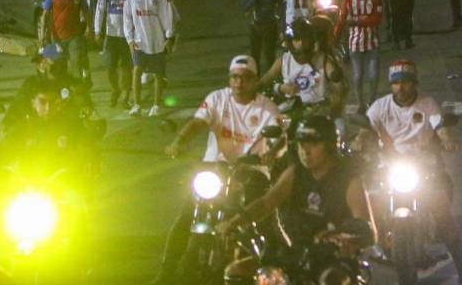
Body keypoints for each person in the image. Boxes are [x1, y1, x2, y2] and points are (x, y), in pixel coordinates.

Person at [156, 56, 281, 284]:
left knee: (260, 220)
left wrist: (271, 154)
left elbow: (279, 138)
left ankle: (270, 271)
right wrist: (180, 141)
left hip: (251, 172)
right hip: (215, 168)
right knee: (186, 216)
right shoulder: (217, 99)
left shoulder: (268, 109)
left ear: (255, 80)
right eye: (234, 77)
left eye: (245, 78)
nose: (239, 83)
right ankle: (166, 272)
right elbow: (199, 121)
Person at [219, 115, 377, 283]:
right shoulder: (296, 173)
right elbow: (267, 202)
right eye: (301, 143)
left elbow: (367, 230)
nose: (305, 150)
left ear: (331, 145)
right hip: (295, 253)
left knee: (331, 280)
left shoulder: (349, 180)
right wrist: (236, 221)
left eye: (313, 144)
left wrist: (339, 236)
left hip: (333, 258)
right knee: (237, 273)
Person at [362, 60, 462, 285]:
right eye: (395, 83)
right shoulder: (379, 107)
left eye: (405, 82)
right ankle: (379, 239)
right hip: (390, 167)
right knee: (368, 199)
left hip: (424, 169)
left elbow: (440, 127)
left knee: (443, 218)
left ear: (414, 83)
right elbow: (365, 130)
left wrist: (448, 140)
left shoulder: (427, 104)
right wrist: (358, 143)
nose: (400, 88)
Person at [260, 18, 345, 118]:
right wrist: (280, 88)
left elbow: (338, 84)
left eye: (305, 39)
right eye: (297, 39)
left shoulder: (324, 59)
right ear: (290, 42)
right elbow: (264, 82)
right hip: (292, 110)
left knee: (340, 128)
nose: (301, 43)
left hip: (319, 112)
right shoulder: (284, 60)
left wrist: (336, 95)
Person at [123, 0, 176, 117]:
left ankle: (156, 105)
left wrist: (169, 37)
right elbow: (127, 18)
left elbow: (167, 16)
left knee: (158, 75)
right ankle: (137, 105)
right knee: (137, 71)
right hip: (139, 42)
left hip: (157, 41)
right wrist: (130, 39)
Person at [334, 0, 382, 112]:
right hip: (354, 43)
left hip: (372, 42)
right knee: (358, 75)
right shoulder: (348, 1)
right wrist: (334, 37)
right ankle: (361, 103)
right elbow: (342, 21)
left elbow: (377, 19)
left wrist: (356, 21)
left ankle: (372, 101)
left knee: (373, 74)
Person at [93, 0, 134, 108]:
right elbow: (99, 10)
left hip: (128, 37)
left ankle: (125, 97)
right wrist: (97, 31)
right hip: (111, 35)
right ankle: (115, 90)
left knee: (127, 68)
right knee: (110, 67)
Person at [39, 0, 91, 80]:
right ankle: (61, 87)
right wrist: (43, 35)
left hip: (75, 36)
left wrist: (89, 29)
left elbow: (86, 13)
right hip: (56, 37)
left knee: (75, 61)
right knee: (55, 63)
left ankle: (78, 87)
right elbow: (45, 15)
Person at [242, 0, 283, 74]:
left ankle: (270, 80)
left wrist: (281, 29)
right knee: (254, 54)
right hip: (255, 26)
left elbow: (282, 10)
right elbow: (245, 7)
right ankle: (256, 78)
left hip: (270, 27)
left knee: (269, 54)